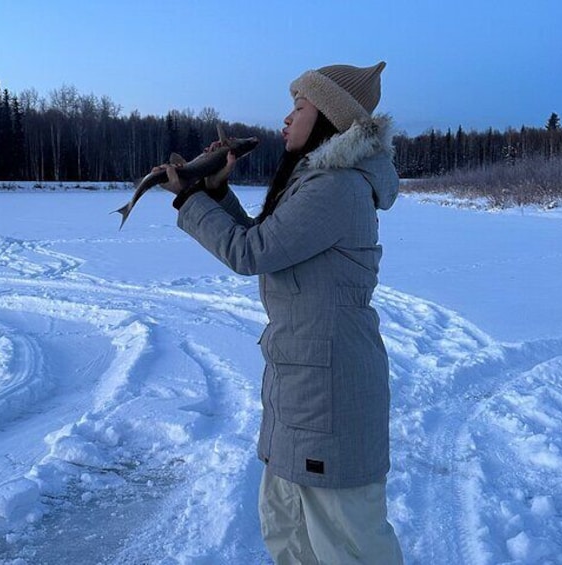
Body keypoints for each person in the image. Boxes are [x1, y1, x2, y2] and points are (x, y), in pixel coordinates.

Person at [158, 62, 404, 564]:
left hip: (328, 398)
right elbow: (268, 242)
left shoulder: (335, 188)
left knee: (347, 547)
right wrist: (217, 194)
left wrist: (188, 197)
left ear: (331, 118)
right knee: (288, 534)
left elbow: (251, 253)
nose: (286, 121)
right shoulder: (319, 183)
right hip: (302, 394)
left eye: (298, 108)